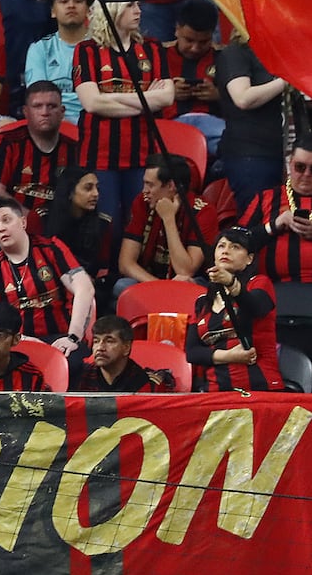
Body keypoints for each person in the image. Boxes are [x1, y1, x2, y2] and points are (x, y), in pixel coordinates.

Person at [72, 0, 173, 228]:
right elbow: (91, 103)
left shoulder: (152, 48)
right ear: (112, 9)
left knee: (137, 222)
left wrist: (109, 99)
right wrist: (147, 100)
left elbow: (167, 97)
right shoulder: (86, 50)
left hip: (142, 154)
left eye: (137, 4)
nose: (138, 11)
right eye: (130, 5)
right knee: (108, 223)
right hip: (99, 155)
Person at [0, 196, 96, 352]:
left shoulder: (51, 249)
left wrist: (73, 338)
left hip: (62, 339)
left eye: (6, 220)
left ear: (23, 222)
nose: (1, 228)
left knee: (73, 364)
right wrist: (22, 340)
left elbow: (85, 288)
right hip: (17, 344)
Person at [184, 226, 284, 392]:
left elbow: (256, 307)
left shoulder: (259, 283)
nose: (226, 251)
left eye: (235, 247)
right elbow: (192, 352)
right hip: (215, 392)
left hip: (260, 387)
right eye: (221, 246)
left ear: (249, 259)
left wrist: (231, 283)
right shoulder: (202, 302)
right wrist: (229, 356)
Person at [116, 152, 218, 298]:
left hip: (189, 283)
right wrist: (160, 287)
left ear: (171, 185)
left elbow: (185, 271)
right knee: (122, 287)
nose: (144, 191)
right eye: (144, 183)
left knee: (190, 288)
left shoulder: (203, 212)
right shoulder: (142, 202)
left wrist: (168, 219)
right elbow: (126, 263)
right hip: (151, 280)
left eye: (150, 185)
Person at [216, 30, 287, 210]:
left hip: (291, 152)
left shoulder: (287, 53)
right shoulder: (236, 53)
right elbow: (243, 98)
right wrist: (287, 80)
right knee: (258, 217)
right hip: (253, 153)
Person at [0, 80, 74, 217]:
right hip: (14, 224)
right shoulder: (7, 142)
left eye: (52, 106)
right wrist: (29, 219)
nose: (45, 112)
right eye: (37, 106)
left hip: (59, 227)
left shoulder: (73, 148)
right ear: (25, 111)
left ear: (62, 112)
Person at [240, 134, 312, 285]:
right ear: (290, 164)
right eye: (300, 167)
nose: (306, 174)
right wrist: (273, 226)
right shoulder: (266, 198)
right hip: (271, 288)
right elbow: (236, 240)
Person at [22, 0, 91, 125]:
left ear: (88, 10)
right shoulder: (39, 49)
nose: (71, 5)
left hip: (95, 119)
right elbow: (39, 97)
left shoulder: (102, 46)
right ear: (53, 11)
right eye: (63, 1)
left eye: (78, 0)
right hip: (54, 124)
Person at [160, 0, 222, 157]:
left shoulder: (224, 58)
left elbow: (244, 101)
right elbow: (139, 96)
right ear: (177, 29)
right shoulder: (157, 56)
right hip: (170, 127)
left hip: (215, 127)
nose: (195, 48)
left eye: (203, 42)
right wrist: (168, 93)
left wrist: (219, 95)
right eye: (189, 40)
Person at [42, 166, 116, 299]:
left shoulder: (104, 223)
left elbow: (105, 270)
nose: (96, 194)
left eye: (97, 188)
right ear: (70, 192)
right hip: (50, 284)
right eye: (88, 188)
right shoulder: (42, 219)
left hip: (90, 288)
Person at [73, 314, 175, 392]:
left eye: (109, 341)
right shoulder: (82, 376)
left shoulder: (141, 382)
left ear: (126, 347)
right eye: (96, 341)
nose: (100, 348)